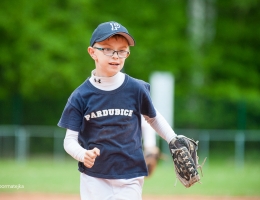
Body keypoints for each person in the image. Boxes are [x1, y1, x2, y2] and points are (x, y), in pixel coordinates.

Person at [58, 21, 177, 200]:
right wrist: (82, 154)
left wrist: (173, 139)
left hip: (131, 174)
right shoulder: (80, 96)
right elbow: (69, 141)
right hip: (94, 177)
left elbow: (153, 118)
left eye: (122, 50)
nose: (115, 56)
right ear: (92, 53)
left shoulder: (136, 88)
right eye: (107, 49)